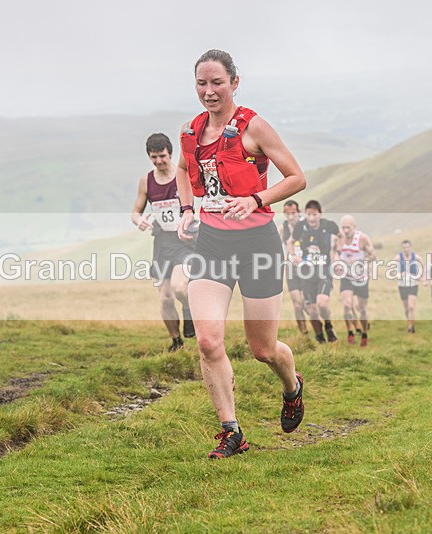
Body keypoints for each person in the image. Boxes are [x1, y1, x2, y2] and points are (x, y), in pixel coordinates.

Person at [176, 50, 306, 459]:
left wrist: (256, 198)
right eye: (202, 83)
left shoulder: (254, 128)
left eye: (217, 82)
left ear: (234, 82)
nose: (209, 91)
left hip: (257, 245)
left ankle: (292, 386)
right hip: (212, 243)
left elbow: (297, 178)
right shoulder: (192, 130)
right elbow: (183, 169)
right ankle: (232, 432)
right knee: (209, 342)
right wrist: (185, 210)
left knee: (263, 349)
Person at [131, 133, 194, 352]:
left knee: (179, 287)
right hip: (162, 244)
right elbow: (136, 211)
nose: (159, 161)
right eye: (154, 157)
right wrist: (139, 220)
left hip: (185, 242)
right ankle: (176, 342)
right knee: (165, 299)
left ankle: (188, 309)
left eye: (162, 156)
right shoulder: (146, 181)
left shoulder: (182, 176)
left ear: (171, 153)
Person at [288, 200, 339, 343]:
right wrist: (294, 256)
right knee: (312, 310)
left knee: (322, 304)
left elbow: (340, 237)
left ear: (320, 215)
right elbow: (290, 242)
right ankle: (320, 338)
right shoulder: (300, 226)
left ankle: (328, 325)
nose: (311, 218)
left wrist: (336, 253)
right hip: (306, 274)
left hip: (324, 272)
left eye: (314, 215)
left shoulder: (329, 225)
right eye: (309, 215)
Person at [335, 214, 375, 346]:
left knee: (362, 308)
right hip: (346, 277)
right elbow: (334, 252)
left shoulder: (362, 238)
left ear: (354, 226)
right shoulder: (339, 239)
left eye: (348, 227)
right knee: (347, 305)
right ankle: (350, 332)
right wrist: (336, 263)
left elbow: (372, 255)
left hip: (361, 278)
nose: (346, 230)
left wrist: (361, 261)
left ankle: (364, 333)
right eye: (343, 227)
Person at [279, 200, 308, 335]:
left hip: (307, 266)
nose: (291, 216)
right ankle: (304, 333)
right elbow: (277, 247)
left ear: (299, 212)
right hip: (291, 267)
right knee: (297, 303)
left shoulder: (306, 225)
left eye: (293, 213)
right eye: (287, 213)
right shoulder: (282, 228)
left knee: (308, 303)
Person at [395, 240, 421, 333]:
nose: (406, 249)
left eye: (407, 247)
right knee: (406, 308)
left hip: (413, 285)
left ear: (411, 247)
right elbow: (394, 273)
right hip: (402, 285)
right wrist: (400, 275)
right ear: (402, 248)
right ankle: (410, 322)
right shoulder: (398, 258)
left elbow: (421, 271)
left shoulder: (416, 258)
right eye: (404, 247)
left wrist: (421, 278)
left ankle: (410, 327)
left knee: (411, 307)